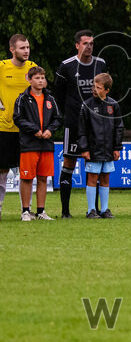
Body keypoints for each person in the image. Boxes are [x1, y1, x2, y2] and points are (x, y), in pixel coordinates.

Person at [53, 29, 107, 218]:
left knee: (98, 166)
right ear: (77, 45)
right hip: (74, 124)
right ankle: (65, 212)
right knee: (69, 162)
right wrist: (61, 117)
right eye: (85, 43)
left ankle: (97, 209)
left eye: (91, 43)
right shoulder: (66, 66)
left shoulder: (100, 64)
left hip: (96, 125)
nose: (89, 47)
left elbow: (105, 91)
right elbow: (57, 95)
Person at [13, 66, 62, 221]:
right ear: (29, 79)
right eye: (37, 78)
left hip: (46, 144)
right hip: (29, 144)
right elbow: (18, 118)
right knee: (27, 178)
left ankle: (41, 212)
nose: (40, 81)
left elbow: (58, 118)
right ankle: (26, 212)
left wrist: (50, 130)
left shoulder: (50, 99)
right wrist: (34, 129)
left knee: (43, 178)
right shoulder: (22, 98)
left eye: (42, 78)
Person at [0, 34, 37, 220]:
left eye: (28, 47)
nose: (26, 51)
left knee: (27, 171)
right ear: (12, 50)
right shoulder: (2, 66)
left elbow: (41, 90)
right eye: (22, 48)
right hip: (5, 127)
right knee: (2, 170)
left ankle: (26, 210)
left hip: (27, 129)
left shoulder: (32, 68)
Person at [77, 73, 123, 219]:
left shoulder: (113, 105)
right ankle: (91, 210)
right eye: (94, 86)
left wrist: (117, 148)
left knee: (105, 178)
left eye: (98, 87)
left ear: (107, 90)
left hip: (108, 149)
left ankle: (104, 210)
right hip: (93, 149)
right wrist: (84, 148)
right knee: (92, 177)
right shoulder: (87, 105)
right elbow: (81, 129)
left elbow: (119, 127)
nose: (94, 90)